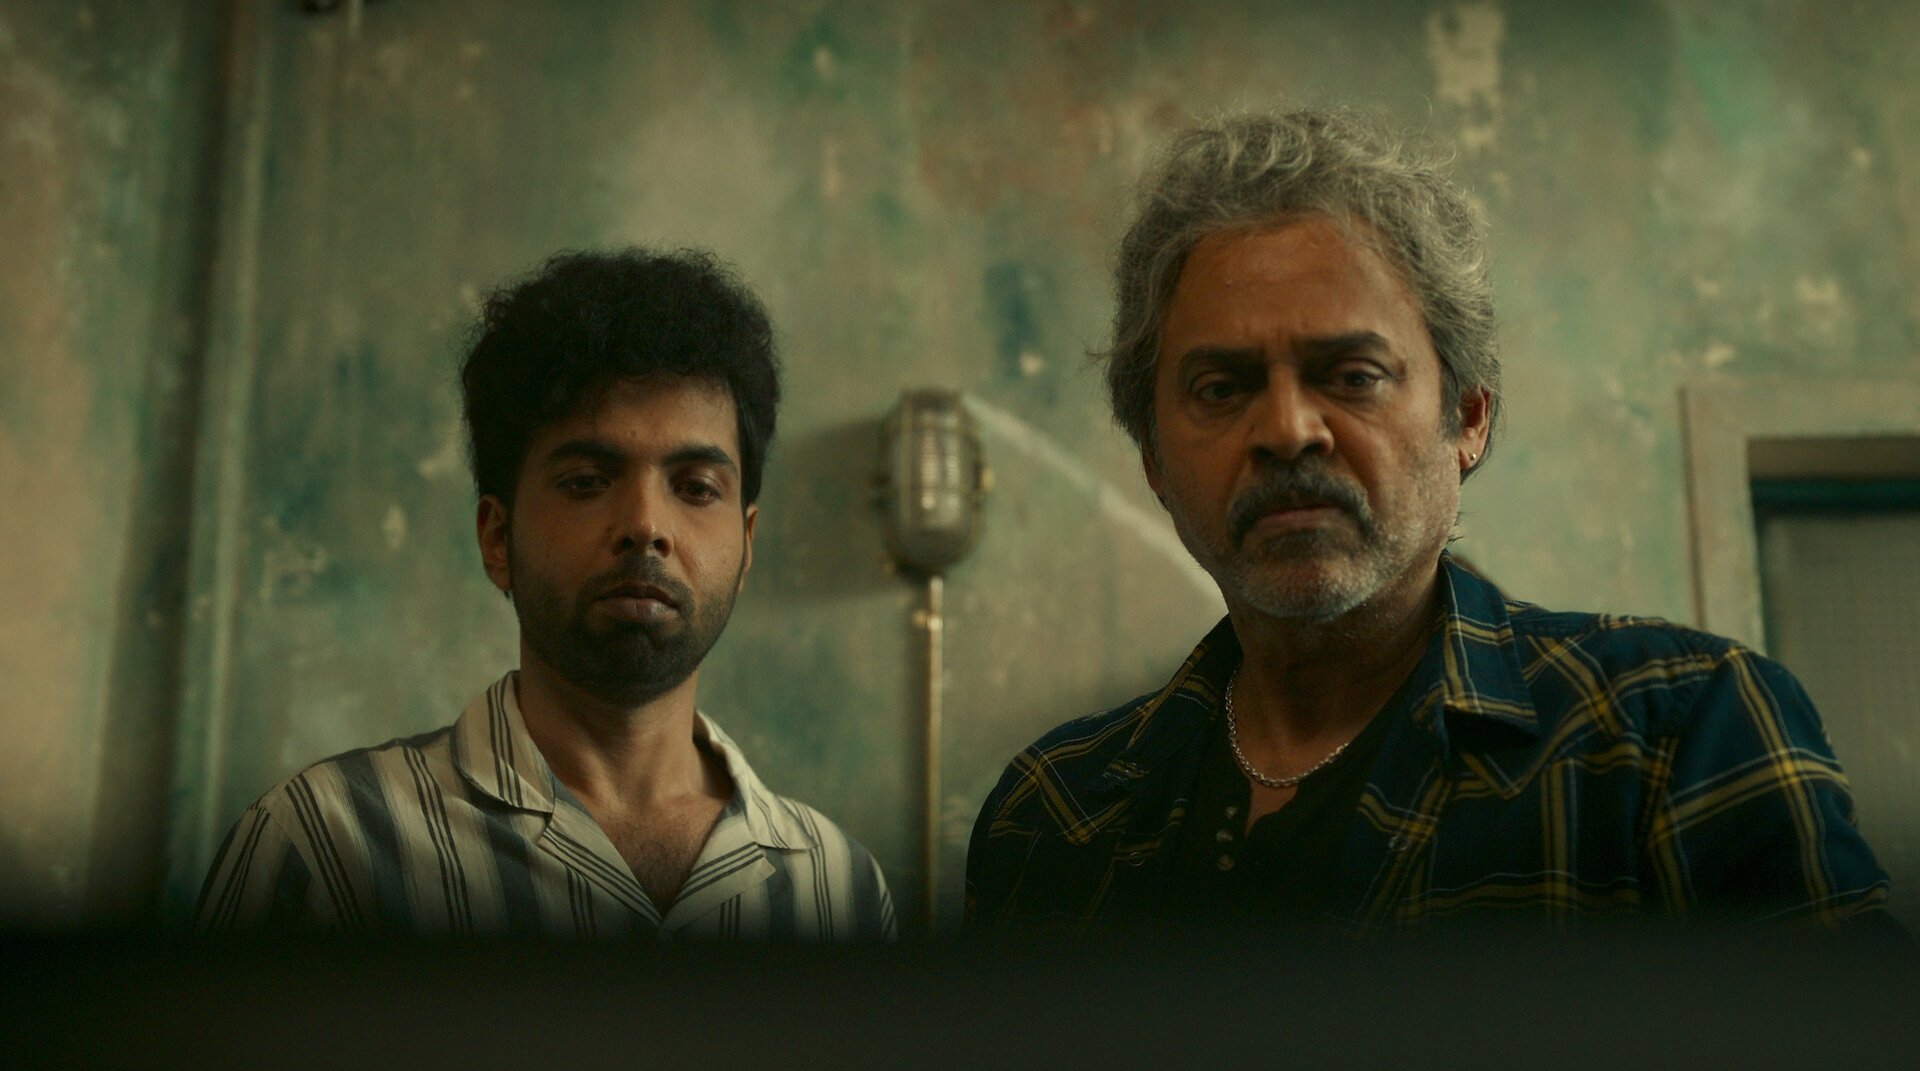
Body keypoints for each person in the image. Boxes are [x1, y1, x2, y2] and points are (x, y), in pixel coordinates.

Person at [965, 109, 1894, 936]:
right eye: (1220, 388)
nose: (1288, 430)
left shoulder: (1675, 732)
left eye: (1353, 375)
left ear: (1469, 419)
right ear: (1155, 463)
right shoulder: (1052, 814)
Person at [198, 249, 895, 941]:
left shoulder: (838, 888)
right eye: (587, 482)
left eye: (695, 488)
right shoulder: (325, 848)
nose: (646, 525)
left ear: (746, 544)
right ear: (497, 539)